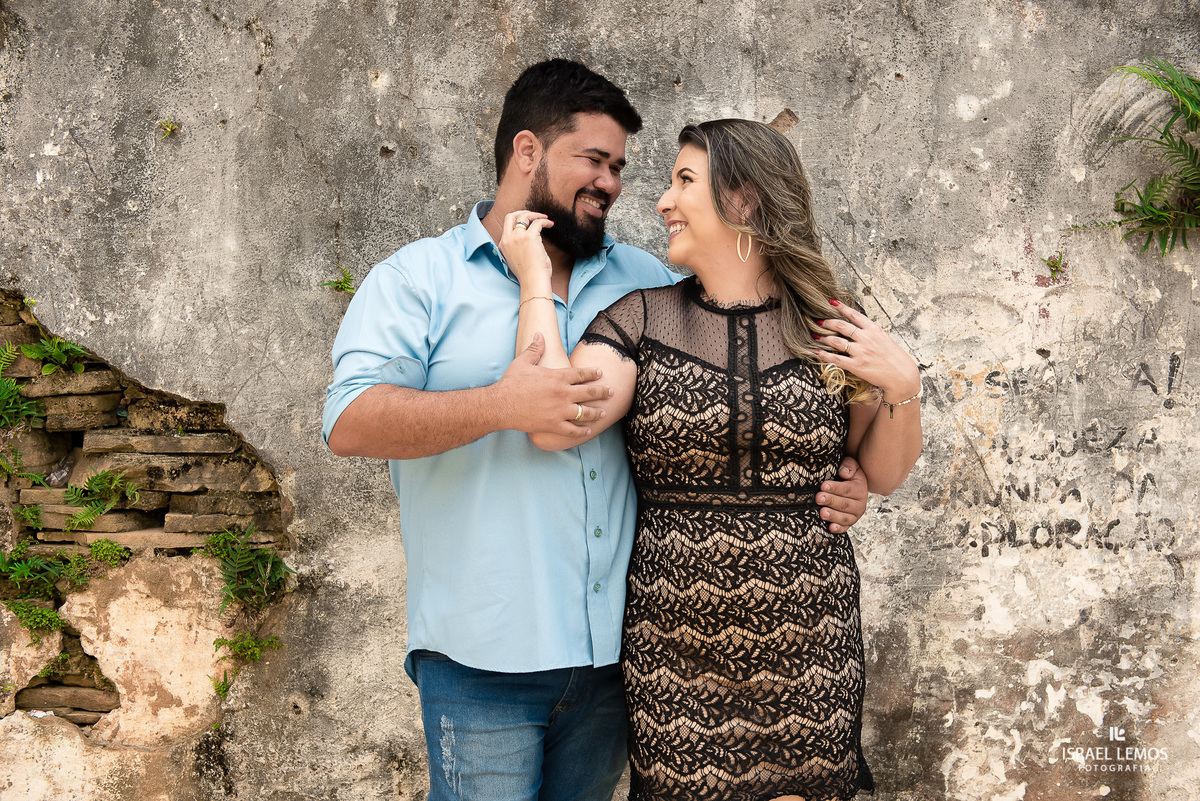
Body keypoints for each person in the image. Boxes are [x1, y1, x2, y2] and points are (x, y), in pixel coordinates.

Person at [323, 61, 869, 801]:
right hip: (483, 660)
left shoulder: (648, 284)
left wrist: (845, 472)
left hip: (620, 658)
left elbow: (747, 390)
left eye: (618, 166)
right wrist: (500, 404)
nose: (612, 183)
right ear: (527, 152)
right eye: (594, 160)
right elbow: (350, 422)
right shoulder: (418, 279)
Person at [499, 119, 922, 800]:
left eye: (683, 181)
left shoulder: (832, 324)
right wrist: (535, 282)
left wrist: (905, 388)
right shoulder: (640, 320)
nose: (663, 201)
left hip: (810, 643)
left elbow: (882, 470)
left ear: (744, 199)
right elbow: (555, 421)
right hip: (676, 653)